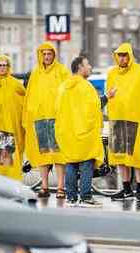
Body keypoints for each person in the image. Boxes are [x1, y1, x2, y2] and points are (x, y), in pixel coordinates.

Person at [106, 42, 140, 203]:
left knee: (137, 157)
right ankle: (126, 189)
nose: (122, 58)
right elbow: (109, 96)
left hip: (137, 121)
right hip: (117, 120)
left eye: (124, 55)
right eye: (119, 55)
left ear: (130, 55)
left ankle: (139, 189)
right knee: (121, 157)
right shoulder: (112, 74)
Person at [55, 56, 105, 207]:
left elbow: (57, 109)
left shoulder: (63, 87)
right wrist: (107, 98)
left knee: (71, 163)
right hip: (84, 133)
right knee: (86, 164)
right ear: (79, 67)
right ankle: (85, 197)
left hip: (67, 133)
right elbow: (94, 109)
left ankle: (71, 198)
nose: (90, 67)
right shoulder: (86, 87)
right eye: (87, 64)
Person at [23, 42, 70, 199]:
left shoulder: (62, 71)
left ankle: (61, 187)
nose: (47, 57)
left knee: (59, 155)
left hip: (58, 120)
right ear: (40, 55)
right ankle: (44, 186)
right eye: (44, 54)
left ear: (54, 55)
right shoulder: (36, 73)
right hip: (40, 119)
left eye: (49, 54)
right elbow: (29, 95)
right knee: (43, 155)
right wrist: (30, 113)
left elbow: (69, 92)